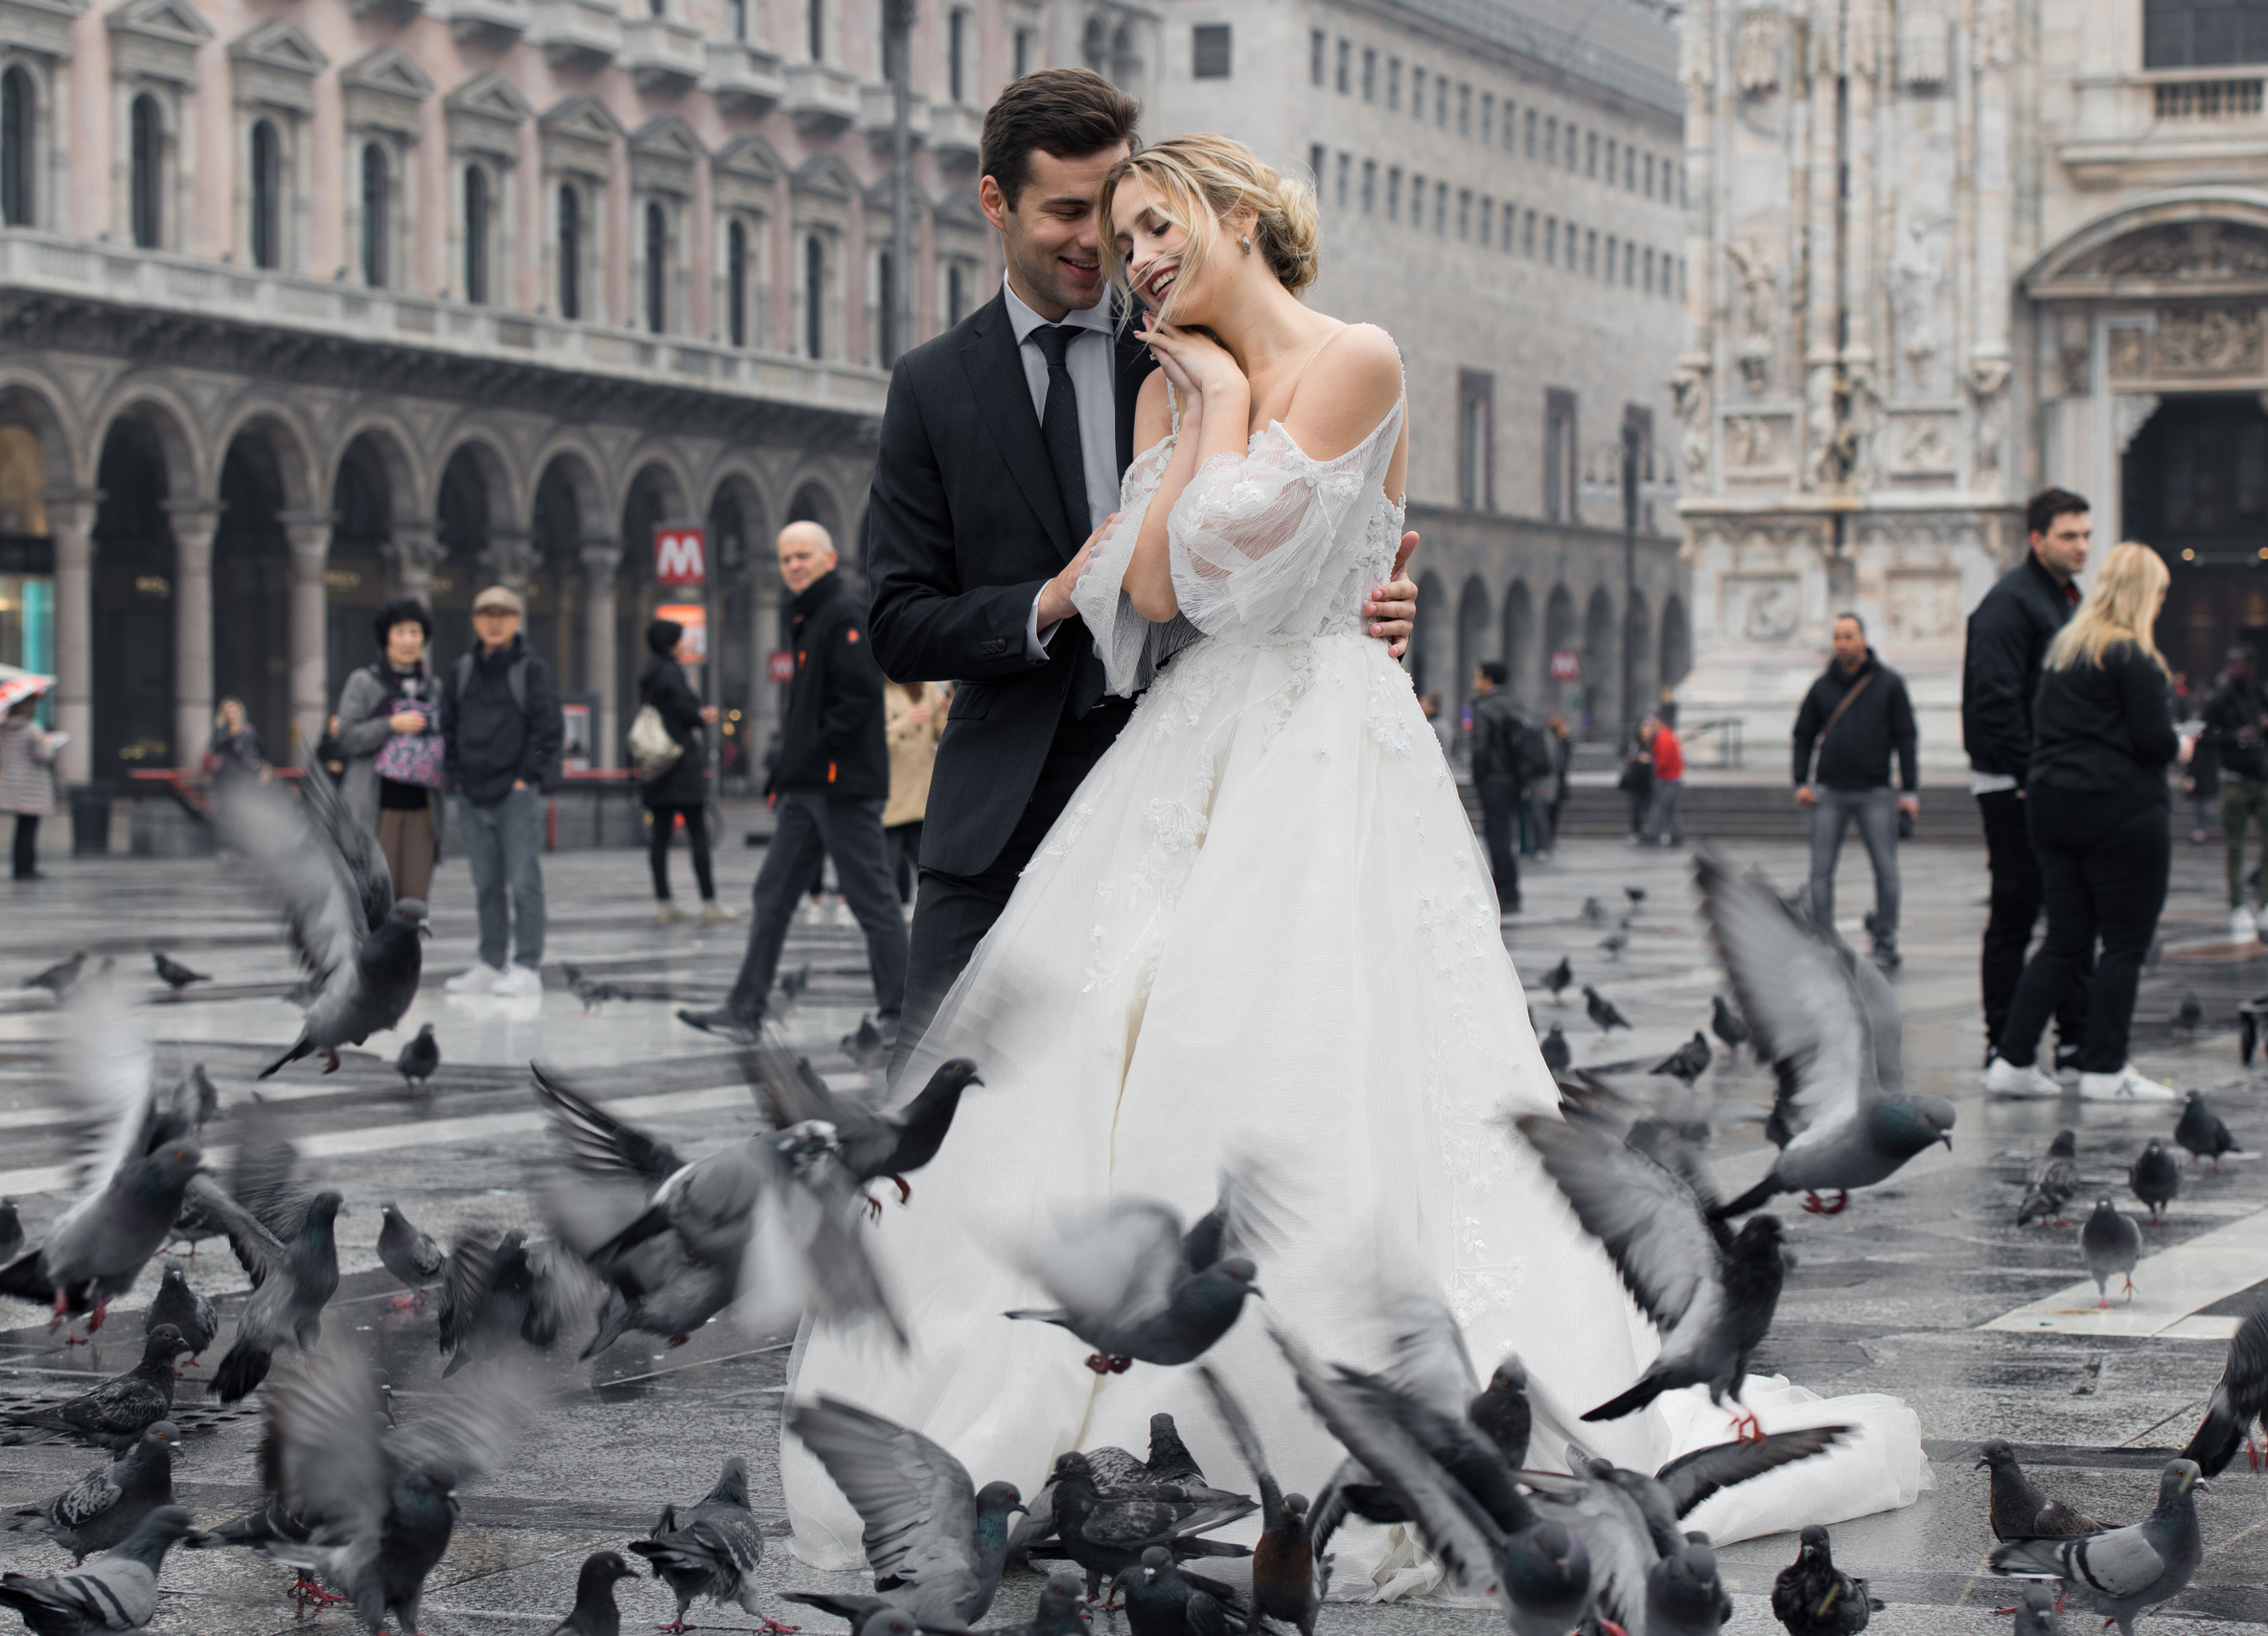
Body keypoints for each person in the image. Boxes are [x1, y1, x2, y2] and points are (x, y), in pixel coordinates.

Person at [787, 128, 1923, 1586]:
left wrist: (1216, 419)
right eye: (1121, 236)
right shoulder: (1163, 374)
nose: (1135, 259)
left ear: (1237, 214)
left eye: (1154, 226)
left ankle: (1347, 1413)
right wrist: (1194, 400)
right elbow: (1150, 584)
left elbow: (1246, 552)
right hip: (1193, 740)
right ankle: (1112, 1398)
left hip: (1327, 737)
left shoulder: (1358, 357)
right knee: (1124, 1037)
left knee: (1329, 1035)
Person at [859, 71, 1424, 1074]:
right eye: (1070, 215)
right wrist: (1045, 599)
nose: (1107, 249)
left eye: (1118, 214)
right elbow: (898, 621)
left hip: (1201, 793)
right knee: (931, 1125)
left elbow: (1317, 510)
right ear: (996, 204)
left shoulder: (1199, 333)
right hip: (998, 812)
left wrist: (1374, 600)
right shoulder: (932, 385)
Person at [678, 522, 910, 1043]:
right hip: (810, 786)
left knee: (871, 897)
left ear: (829, 559)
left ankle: (901, 1012)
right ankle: (745, 1008)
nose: (794, 565)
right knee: (773, 893)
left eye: (803, 555)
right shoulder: (810, 614)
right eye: (786, 559)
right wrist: (790, 766)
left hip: (840, 784)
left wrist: (811, 756)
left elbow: (855, 703)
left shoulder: (842, 613)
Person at [1984, 541, 2191, 1100]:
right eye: (2161, 592)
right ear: (2143, 593)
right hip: (2121, 811)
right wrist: (2182, 746)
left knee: (2064, 941)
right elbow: (2153, 742)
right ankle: (2105, 1070)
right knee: (2124, 945)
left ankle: (2012, 1060)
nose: (2163, 603)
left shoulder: (2065, 650)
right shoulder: (2133, 656)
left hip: (2053, 808)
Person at [1963, 486, 2092, 1076]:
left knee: (2070, 912)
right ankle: (2002, 1040)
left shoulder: (2063, 599)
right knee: (2016, 910)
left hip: (2050, 779)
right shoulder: (2010, 603)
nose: (2081, 546)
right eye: (2069, 536)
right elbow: (1995, 700)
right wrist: (2026, 772)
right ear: (2037, 540)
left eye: (2086, 535)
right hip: (2014, 785)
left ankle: (2072, 1037)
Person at [442, 584, 563, 998]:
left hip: (515, 793)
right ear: (475, 621)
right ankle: (491, 961)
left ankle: (527, 963)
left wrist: (525, 777)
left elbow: (549, 728)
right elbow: (448, 726)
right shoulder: (461, 672)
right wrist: (456, 776)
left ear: (516, 621)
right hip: (473, 792)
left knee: (524, 881)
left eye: (504, 613)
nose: (494, 621)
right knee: (486, 884)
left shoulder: (531, 670)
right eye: (486, 613)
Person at [1792, 611, 1920, 970]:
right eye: (1836, 637)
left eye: (1848, 636)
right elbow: (1803, 735)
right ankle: (1823, 940)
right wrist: (1801, 781)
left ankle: (1885, 938)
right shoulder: (1821, 687)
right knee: (1820, 871)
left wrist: (1909, 790)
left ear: (1864, 638)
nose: (1842, 644)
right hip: (1829, 791)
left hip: (1875, 791)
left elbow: (1906, 737)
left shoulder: (1889, 684)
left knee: (1886, 870)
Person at [336, 596, 444, 904]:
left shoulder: (433, 687)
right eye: (400, 632)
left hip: (422, 811)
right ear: (386, 638)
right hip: (375, 809)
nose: (408, 640)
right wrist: (390, 725)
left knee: (414, 904)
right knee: (375, 901)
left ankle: (411, 955)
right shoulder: (363, 682)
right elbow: (347, 737)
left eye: (415, 632)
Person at [2200, 644, 2268, 941]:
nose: (2233, 669)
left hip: (2263, 780)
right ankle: (2237, 907)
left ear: (2251, 666)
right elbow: (2203, 731)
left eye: (2238, 664)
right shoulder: (2220, 697)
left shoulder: (2263, 695)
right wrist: (2234, 736)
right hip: (2233, 780)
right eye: (2230, 663)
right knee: (2235, 846)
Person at [637, 618, 729, 925]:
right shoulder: (670, 671)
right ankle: (709, 902)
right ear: (669, 642)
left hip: (656, 764)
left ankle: (664, 902)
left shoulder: (648, 673)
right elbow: (685, 712)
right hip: (680, 764)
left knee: (660, 836)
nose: (682, 643)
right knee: (697, 833)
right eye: (679, 638)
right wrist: (702, 716)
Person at [1467, 660, 1527, 912]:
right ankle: (1510, 887)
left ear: (1488, 680)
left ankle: (1503, 890)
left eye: (1478, 677)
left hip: (1493, 779)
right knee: (1507, 834)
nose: (1475, 682)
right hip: (1514, 779)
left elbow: (1479, 748)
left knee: (1496, 835)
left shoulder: (1484, 708)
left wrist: (1478, 776)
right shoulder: (1516, 704)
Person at [883, 677, 947, 908]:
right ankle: (889, 934)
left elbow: (941, 734)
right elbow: (869, 741)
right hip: (891, 804)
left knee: (932, 875)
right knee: (886, 880)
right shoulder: (880, 688)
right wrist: (906, 723)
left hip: (922, 800)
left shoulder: (927, 686)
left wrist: (947, 713)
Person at [0, 697, 61, 881]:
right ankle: (27, 868)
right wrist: (48, 743)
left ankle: (19, 867)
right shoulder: (32, 729)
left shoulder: (3, 729)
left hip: (13, 783)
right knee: (30, 828)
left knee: (21, 828)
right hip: (31, 785)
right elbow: (43, 755)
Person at [1639, 714, 1686, 845]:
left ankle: (1655, 835)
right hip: (1672, 778)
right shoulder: (1666, 736)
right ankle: (1677, 835)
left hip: (1667, 779)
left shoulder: (1663, 738)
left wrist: (1652, 762)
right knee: (1671, 809)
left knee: (1660, 808)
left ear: (1658, 722)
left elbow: (1663, 762)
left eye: (1653, 723)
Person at [1531, 715, 1572, 853]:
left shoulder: (1562, 742)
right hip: (1547, 783)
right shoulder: (1550, 741)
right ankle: (1543, 844)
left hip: (1551, 783)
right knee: (1542, 814)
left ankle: (1544, 843)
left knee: (1546, 813)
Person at [205, 698, 264, 775]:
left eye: (233, 712)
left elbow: (260, 746)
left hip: (246, 768)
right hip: (227, 770)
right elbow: (215, 748)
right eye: (228, 713)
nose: (231, 715)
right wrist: (229, 737)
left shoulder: (247, 729)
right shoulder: (221, 729)